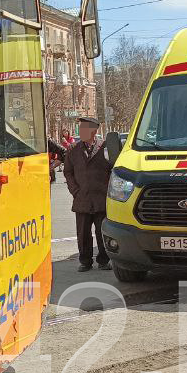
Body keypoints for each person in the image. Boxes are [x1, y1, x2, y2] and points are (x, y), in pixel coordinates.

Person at [64, 115, 112, 272]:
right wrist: (75, 190)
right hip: (82, 199)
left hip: (101, 198)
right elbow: (68, 172)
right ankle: (85, 261)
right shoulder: (73, 150)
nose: (81, 131)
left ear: (94, 130)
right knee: (83, 233)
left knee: (101, 232)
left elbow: (113, 169)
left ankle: (104, 260)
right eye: (80, 128)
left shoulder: (105, 148)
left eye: (85, 128)